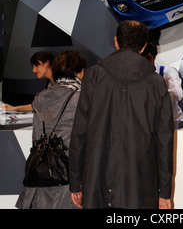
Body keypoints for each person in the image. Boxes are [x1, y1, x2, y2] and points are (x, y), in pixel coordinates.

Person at [69, 20, 174, 210]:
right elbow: (164, 141)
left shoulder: (93, 75)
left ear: (116, 41)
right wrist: (164, 192)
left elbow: (79, 131)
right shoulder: (156, 83)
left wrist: (76, 182)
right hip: (141, 182)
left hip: (96, 179)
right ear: (143, 47)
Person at [16, 50, 87, 209]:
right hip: (67, 175)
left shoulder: (41, 96)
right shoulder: (82, 97)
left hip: (39, 174)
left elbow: (36, 137)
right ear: (77, 72)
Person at [142, 41, 183, 123]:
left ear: (154, 56)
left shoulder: (167, 71)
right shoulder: (135, 74)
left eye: (148, 58)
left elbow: (178, 94)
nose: (145, 63)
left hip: (172, 122)